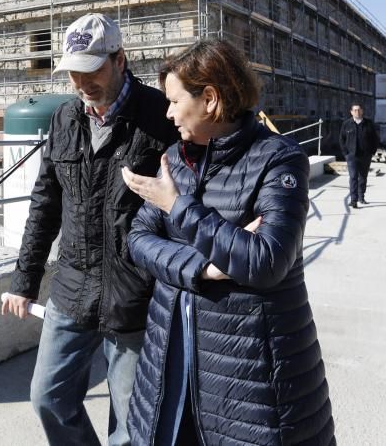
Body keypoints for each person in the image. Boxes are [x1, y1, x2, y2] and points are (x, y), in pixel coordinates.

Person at [120, 38, 334, 446]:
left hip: (251, 378)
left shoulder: (277, 158)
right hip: (170, 365)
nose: (167, 112)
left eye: (175, 100)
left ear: (211, 99)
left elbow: (268, 261)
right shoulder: (175, 160)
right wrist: (203, 267)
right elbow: (139, 238)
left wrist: (178, 208)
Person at [2, 13, 179, 446]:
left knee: (131, 421)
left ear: (120, 60)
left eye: (91, 70)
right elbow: (45, 203)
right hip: (72, 288)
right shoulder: (65, 119)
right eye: (73, 73)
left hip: (134, 294)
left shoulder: (161, 116)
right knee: (48, 397)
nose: (81, 84)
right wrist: (24, 281)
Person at [339, 103, 379, 208]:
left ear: (362, 111)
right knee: (353, 177)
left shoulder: (369, 123)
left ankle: (361, 197)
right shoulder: (346, 124)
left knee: (363, 177)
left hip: (365, 155)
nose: (357, 112)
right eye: (355, 110)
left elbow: (375, 138)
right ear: (351, 112)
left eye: (359, 110)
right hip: (351, 156)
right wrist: (345, 153)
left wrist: (372, 152)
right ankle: (353, 200)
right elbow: (341, 139)